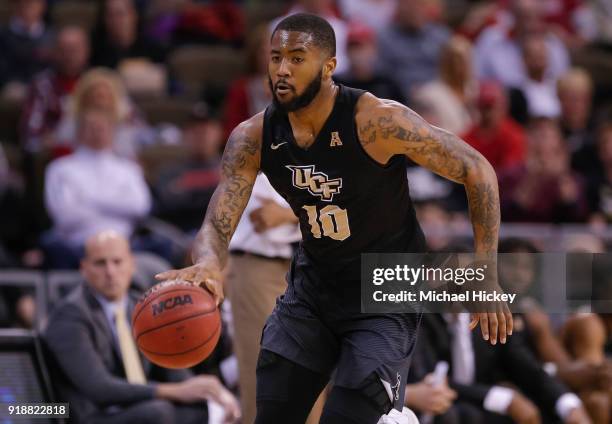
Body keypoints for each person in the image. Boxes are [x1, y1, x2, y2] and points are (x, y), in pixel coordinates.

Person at [157, 13, 511, 424]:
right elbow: (218, 222)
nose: (282, 69)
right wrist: (209, 262)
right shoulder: (252, 138)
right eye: (275, 58)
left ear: (328, 66)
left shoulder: (375, 121)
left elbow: (477, 168)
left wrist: (485, 269)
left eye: (296, 57)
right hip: (313, 290)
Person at [44, 230, 240, 424]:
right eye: (100, 263)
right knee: (158, 412)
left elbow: (175, 373)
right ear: (84, 268)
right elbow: (99, 388)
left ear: (132, 265)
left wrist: (210, 392)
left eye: (117, 262)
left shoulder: (141, 306)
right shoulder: (69, 315)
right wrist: (172, 392)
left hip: (139, 410)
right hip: (90, 415)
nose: (110, 272)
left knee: (207, 408)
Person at [43, 107, 151, 268]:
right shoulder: (60, 168)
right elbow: (65, 216)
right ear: (79, 132)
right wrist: (117, 205)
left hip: (126, 245)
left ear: (112, 132)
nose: (97, 132)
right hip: (75, 247)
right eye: (91, 127)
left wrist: (87, 198)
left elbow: (140, 207)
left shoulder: (129, 168)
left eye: (102, 127)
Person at [20, 26, 90, 154]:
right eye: (64, 50)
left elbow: (134, 128)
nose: (69, 56)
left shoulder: (99, 84)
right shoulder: (41, 85)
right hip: (59, 157)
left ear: (86, 51)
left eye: (74, 50)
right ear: (54, 52)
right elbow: (30, 138)